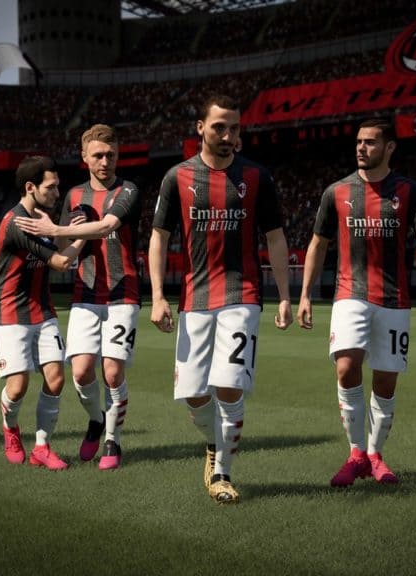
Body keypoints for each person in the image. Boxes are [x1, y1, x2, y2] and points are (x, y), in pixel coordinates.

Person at [148, 94, 293, 504]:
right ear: (200, 128)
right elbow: (159, 237)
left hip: (242, 293)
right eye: (219, 127)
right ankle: (214, 445)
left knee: (229, 385)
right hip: (195, 298)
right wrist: (157, 296)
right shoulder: (177, 177)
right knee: (194, 395)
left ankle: (223, 473)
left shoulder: (257, 176)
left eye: (234, 128)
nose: (228, 135)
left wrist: (284, 295)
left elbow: (275, 237)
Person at [297, 119, 416, 487]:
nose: (361, 148)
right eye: (359, 142)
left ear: (389, 147)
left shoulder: (410, 191)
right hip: (350, 293)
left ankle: (375, 455)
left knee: (386, 380)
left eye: (370, 142)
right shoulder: (337, 191)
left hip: (394, 299)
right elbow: (318, 243)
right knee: (346, 366)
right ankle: (356, 452)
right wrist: (305, 293)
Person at [14, 124, 143, 470]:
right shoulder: (73, 195)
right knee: (82, 372)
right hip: (85, 292)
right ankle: (97, 420)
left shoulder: (128, 190)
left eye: (111, 155)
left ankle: (112, 441)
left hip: (123, 292)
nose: (105, 161)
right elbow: (60, 247)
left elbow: (107, 226)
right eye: (98, 155)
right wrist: (61, 233)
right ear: (84, 157)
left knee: (112, 373)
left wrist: (56, 229)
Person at [0, 155, 78, 470]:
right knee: (17, 387)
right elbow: (61, 262)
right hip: (11, 310)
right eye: (50, 187)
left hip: (43, 309)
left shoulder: (43, 218)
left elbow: (61, 248)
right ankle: (10, 429)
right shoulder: (17, 222)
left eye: (58, 186)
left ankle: (42, 447)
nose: (57, 193)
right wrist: (85, 235)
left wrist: (64, 230)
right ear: (30, 187)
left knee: (56, 378)